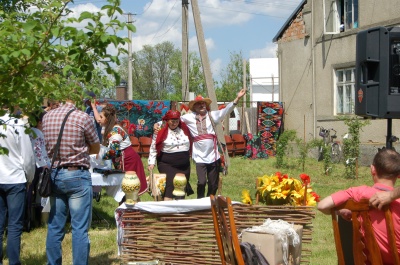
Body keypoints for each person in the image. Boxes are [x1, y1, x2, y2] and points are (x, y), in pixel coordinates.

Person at [155, 89, 246, 198]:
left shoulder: (213, 116)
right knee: (202, 182)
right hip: (199, 156)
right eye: (199, 104)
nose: (202, 105)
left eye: (203, 104)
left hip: (213, 155)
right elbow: (173, 119)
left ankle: (210, 201)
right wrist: (158, 124)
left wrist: (237, 98)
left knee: (213, 183)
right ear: (195, 107)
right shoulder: (188, 118)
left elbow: (226, 110)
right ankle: (200, 200)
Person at [42, 96, 100, 265]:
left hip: (55, 173)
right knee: (79, 228)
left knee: (55, 226)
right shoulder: (82, 117)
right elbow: (96, 146)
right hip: (76, 174)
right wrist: (80, 149)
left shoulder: (47, 117)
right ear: (77, 99)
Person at [317, 148, 400, 264]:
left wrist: (338, 211)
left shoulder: (358, 193)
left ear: (372, 169)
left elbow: (322, 205)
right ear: (399, 175)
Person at [0, 107, 35, 265]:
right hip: (15, 178)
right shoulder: (18, 124)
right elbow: (27, 157)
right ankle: (14, 261)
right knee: (14, 225)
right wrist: (30, 178)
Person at [97, 104, 147, 200]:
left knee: (128, 191)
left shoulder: (114, 132)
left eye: (101, 117)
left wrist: (99, 157)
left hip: (128, 161)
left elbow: (114, 152)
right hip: (126, 159)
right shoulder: (114, 128)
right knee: (128, 192)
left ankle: (131, 214)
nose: (98, 119)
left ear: (107, 119)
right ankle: (128, 213)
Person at [148, 110, 193, 200]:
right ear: (167, 120)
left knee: (181, 186)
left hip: (184, 165)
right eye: (172, 121)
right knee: (170, 187)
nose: (174, 123)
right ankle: (167, 211)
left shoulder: (184, 128)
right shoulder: (160, 130)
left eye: (176, 121)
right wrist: (151, 162)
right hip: (167, 163)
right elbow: (153, 147)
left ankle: (179, 211)